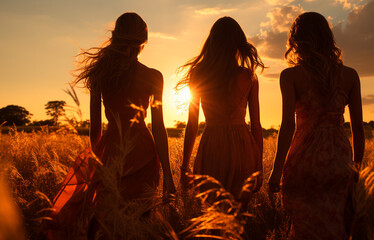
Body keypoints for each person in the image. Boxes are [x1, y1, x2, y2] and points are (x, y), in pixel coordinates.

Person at [47, 12, 175, 238]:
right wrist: (168, 174)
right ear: (143, 41)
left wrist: (97, 162)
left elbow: (95, 128)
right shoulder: (154, 76)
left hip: (111, 150)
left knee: (106, 222)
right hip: (143, 152)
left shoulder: (100, 74)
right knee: (140, 223)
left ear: (116, 37)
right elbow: (158, 127)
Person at [268, 12, 364, 239]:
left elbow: (287, 127)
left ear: (296, 41)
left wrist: (276, 171)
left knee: (305, 229)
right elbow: (357, 129)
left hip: (304, 161)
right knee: (337, 227)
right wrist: (357, 169)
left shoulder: (290, 76)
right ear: (327, 38)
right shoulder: (350, 75)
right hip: (338, 160)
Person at [177, 16, 265, 202]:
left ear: (212, 42)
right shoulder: (248, 76)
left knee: (212, 211)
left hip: (213, 145)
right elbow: (256, 126)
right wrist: (259, 167)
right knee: (239, 214)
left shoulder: (199, 73)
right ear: (238, 44)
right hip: (243, 147)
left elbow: (192, 125)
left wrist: (185, 167)